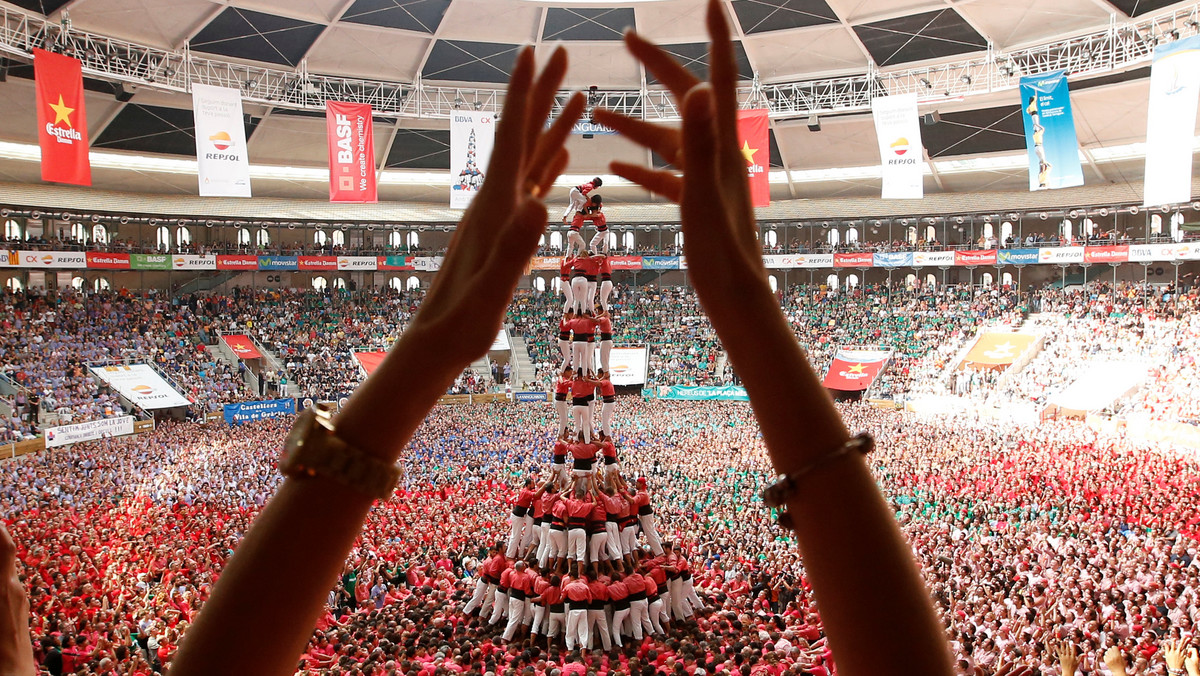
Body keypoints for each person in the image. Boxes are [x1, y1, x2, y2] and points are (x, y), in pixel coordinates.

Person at [0, 16, 951, 676]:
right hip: (596, 562)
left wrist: (428, 353)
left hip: (562, 565)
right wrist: (747, 311)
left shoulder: (549, 546)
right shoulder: (604, 548)